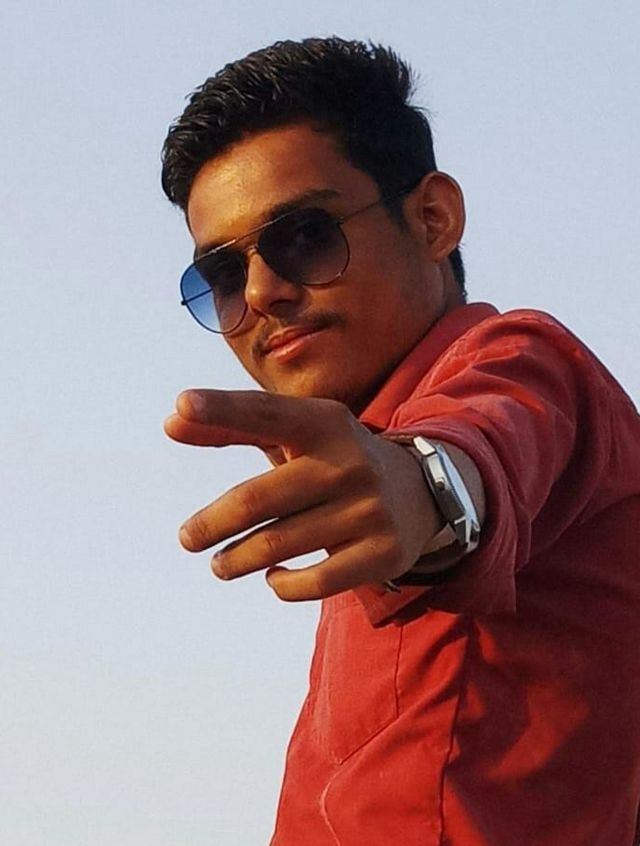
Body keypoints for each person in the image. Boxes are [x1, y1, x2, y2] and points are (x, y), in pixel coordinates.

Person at [160, 37, 640, 846]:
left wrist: (424, 491)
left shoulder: (526, 363)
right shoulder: (357, 466)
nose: (262, 291)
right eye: (222, 276)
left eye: (304, 235)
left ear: (432, 219)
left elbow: (480, 448)